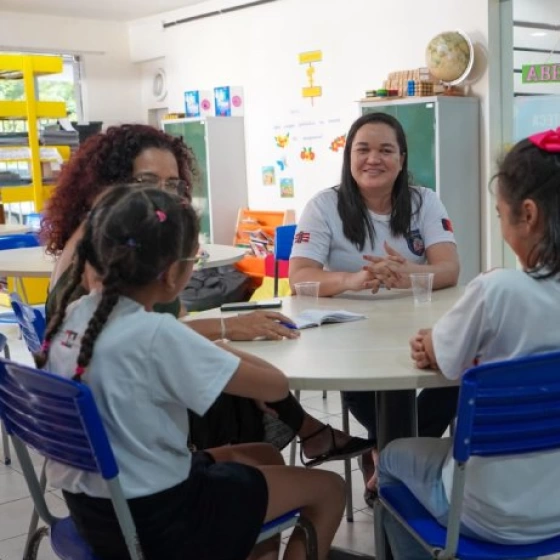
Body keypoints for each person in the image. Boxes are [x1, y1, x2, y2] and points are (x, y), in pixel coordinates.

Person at [377, 126, 560, 558]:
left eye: (500, 215)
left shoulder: (499, 289)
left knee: (390, 457)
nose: (502, 226)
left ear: (529, 214)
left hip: (488, 513)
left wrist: (434, 344)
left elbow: (442, 358)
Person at [39, 185, 346, 560]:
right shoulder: (157, 335)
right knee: (330, 489)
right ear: (172, 274)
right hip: (163, 522)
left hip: (98, 511)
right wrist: (220, 347)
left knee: (265, 453)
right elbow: (276, 385)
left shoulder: (73, 317)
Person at [41, 123, 372, 464]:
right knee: (243, 385)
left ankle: (311, 436)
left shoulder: (112, 237)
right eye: (145, 181)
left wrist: (221, 338)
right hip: (137, 425)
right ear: (104, 185)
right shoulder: (105, 250)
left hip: (121, 420)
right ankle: (312, 439)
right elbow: (144, 336)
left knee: (229, 369)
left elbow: (163, 323)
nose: (164, 194)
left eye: (173, 184)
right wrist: (228, 329)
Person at [288, 112, 461, 501]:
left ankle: (386, 454)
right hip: (352, 332)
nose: (373, 159)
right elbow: (298, 276)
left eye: (386, 150)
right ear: (349, 157)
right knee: (358, 379)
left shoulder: (425, 202)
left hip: (417, 326)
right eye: (363, 149)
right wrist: (353, 280)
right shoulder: (323, 206)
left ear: (401, 159)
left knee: (457, 372)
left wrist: (409, 274)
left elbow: (449, 267)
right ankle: (396, 460)